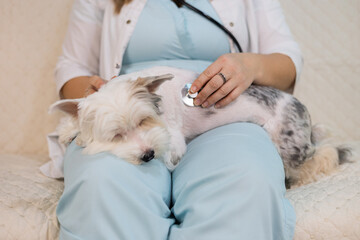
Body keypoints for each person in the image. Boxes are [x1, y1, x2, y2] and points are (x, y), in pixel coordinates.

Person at [52, 0, 303, 239]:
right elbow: (72, 67)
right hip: (129, 117)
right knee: (101, 181)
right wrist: (102, 101)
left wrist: (252, 66)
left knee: (246, 178)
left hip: (224, 116)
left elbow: (288, 63)